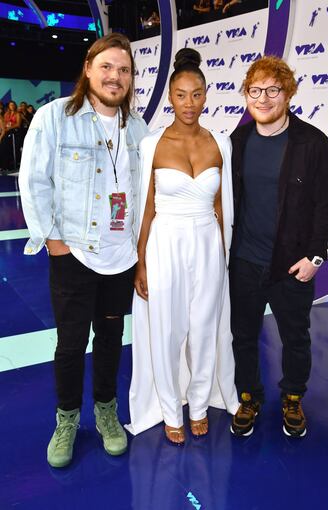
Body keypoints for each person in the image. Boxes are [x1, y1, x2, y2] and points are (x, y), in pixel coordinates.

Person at [19, 33, 148, 467]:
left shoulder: (138, 128)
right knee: (71, 344)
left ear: (131, 79)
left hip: (120, 255)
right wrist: (52, 239)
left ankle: (106, 412)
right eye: (107, 67)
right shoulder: (54, 117)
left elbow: (144, 191)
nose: (115, 76)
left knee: (111, 338)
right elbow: (33, 181)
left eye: (124, 70)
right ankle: (67, 419)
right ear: (89, 68)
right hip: (73, 252)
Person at [126, 48, 238, 445]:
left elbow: (223, 205)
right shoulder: (152, 144)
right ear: (170, 96)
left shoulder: (220, 144)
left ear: (206, 96)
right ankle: (170, 409)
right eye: (181, 95)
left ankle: (200, 405)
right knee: (168, 329)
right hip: (165, 243)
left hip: (208, 243)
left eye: (196, 95)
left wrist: (223, 254)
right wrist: (140, 264)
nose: (189, 103)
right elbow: (146, 208)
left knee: (205, 328)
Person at [229, 55, 328, 438]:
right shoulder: (237, 142)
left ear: (288, 93)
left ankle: (293, 397)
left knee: (295, 337)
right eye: (255, 91)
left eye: (272, 90)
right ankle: (249, 396)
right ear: (246, 95)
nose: (263, 98)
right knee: (242, 336)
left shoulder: (313, 143)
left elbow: (326, 206)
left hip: (291, 266)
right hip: (244, 262)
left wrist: (315, 257)